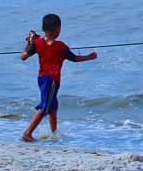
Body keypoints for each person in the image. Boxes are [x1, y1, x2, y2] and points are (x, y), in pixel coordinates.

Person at [20, 13, 97, 142]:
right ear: (57, 30)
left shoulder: (37, 43)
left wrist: (28, 43)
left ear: (44, 29)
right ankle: (27, 133)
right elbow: (75, 59)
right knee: (45, 108)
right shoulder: (60, 46)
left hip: (41, 79)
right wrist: (90, 56)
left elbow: (23, 56)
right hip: (52, 80)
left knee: (53, 106)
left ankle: (54, 133)